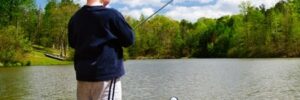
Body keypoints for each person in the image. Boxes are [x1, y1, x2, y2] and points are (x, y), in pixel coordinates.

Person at [68, 0, 134, 99]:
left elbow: (73, 43)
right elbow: (129, 40)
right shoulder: (112, 15)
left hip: (82, 77)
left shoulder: (75, 18)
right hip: (106, 76)